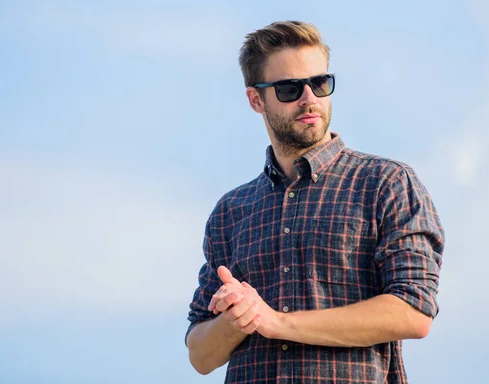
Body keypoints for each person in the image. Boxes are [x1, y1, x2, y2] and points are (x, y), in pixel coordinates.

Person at [185, 20, 444, 384]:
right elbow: (200, 354)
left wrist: (276, 321)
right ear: (256, 99)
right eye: (290, 88)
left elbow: (412, 312)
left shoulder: (385, 183)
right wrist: (237, 318)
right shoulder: (232, 211)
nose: (310, 99)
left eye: (320, 84)